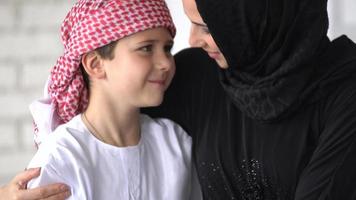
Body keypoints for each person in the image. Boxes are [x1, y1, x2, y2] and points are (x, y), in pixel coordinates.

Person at [2, 0, 356, 199]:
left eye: (206, 25)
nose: (191, 42)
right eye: (148, 49)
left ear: (252, 18)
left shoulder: (344, 90)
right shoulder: (196, 75)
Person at [2, 0, 202, 199]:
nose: (166, 62)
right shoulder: (60, 159)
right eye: (146, 48)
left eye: (167, 48)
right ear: (95, 64)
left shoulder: (176, 143)